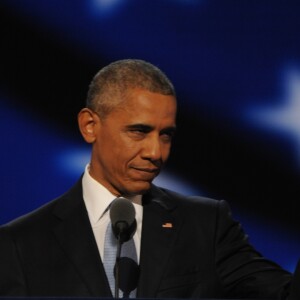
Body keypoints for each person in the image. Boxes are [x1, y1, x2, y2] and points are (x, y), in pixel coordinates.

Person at [0, 59, 297, 298]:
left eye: (165, 135)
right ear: (90, 126)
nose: (156, 152)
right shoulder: (20, 244)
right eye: (139, 132)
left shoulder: (207, 226)